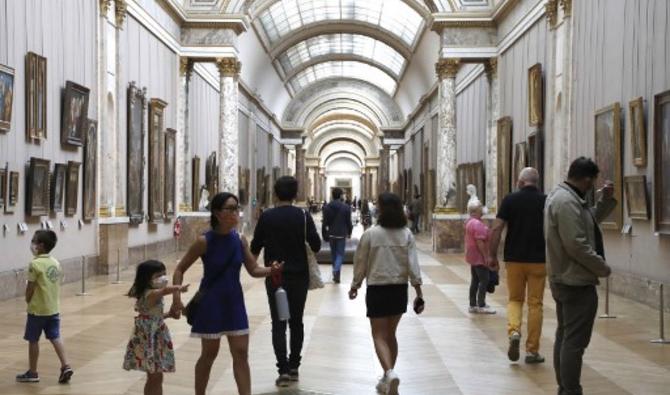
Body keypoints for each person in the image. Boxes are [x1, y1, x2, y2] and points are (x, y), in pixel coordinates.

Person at [170, 192, 282, 395]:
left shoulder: (239, 240)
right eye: (229, 208)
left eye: (236, 208)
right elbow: (179, 269)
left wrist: (271, 270)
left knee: (241, 353)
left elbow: (254, 269)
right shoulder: (204, 241)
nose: (235, 213)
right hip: (211, 304)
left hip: (234, 303)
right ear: (217, 213)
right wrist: (177, 298)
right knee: (209, 355)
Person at [545, 157, 616, 395]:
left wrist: (606, 200)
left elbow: (588, 221)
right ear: (586, 179)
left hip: (566, 277)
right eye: (591, 182)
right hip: (573, 280)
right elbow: (576, 244)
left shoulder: (569, 198)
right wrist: (601, 267)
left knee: (566, 336)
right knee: (574, 342)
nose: (591, 187)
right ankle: (570, 390)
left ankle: (566, 388)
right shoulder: (566, 201)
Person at [349, 192, 423, 395]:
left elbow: (361, 262)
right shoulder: (406, 234)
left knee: (378, 335)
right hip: (399, 289)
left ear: (381, 209)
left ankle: (389, 373)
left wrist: (355, 285)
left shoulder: (371, 234)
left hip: (378, 289)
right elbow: (413, 266)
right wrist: (418, 291)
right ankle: (387, 376)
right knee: (391, 334)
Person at [250, 176, 321, 386]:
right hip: (299, 277)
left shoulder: (267, 217)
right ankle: (294, 367)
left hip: (275, 277)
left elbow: (254, 248)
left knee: (278, 323)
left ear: (275, 193)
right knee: (296, 322)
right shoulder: (303, 216)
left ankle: (282, 370)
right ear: (296, 194)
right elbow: (316, 246)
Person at [489, 167, 547, 364]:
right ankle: (532, 351)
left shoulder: (510, 200)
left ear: (520, 182)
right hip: (539, 260)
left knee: (515, 299)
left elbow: (497, 228)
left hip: (514, 259)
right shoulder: (546, 201)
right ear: (536, 182)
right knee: (535, 304)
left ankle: (514, 331)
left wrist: (492, 255)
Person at [123, 260, 189, 395]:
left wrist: (168, 315)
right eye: (158, 275)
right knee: (154, 376)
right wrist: (178, 288)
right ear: (147, 279)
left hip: (156, 337)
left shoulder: (151, 293)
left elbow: (151, 317)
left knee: (157, 376)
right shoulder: (150, 294)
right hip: (149, 340)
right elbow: (164, 290)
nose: (163, 278)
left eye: (164, 274)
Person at [16, 230, 73, 384]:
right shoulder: (55, 262)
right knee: (55, 336)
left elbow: (31, 287)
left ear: (40, 245)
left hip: (37, 310)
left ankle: (33, 372)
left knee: (33, 340)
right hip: (53, 309)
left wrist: (27, 299)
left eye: (34, 241)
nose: (32, 244)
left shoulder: (35, 264)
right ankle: (65, 365)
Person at [464, 200, 496, 314]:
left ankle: (473, 304)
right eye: (480, 208)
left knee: (475, 280)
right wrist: (486, 257)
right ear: (475, 210)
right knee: (484, 280)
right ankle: (481, 304)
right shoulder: (477, 224)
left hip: (472, 256)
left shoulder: (470, 221)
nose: (482, 209)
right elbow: (480, 242)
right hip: (478, 256)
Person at [322, 187, 353, 283]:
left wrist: (324, 234)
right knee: (340, 254)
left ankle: (336, 277)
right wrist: (349, 232)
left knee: (333, 254)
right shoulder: (346, 207)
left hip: (331, 234)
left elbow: (325, 222)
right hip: (341, 234)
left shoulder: (327, 207)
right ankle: (336, 270)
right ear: (340, 196)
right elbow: (349, 222)